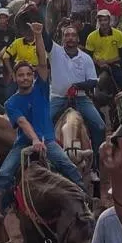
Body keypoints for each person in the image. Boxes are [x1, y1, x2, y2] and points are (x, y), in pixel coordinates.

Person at [0, 23, 85, 210]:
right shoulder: (11, 102)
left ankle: (83, 201)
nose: (25, 78)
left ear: (33, 76)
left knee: (68, 167)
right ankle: (0, 212)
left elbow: (43, 62)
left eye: (28, 74)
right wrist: (35, 140)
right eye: (21, 75)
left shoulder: (41, 89)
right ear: (16, 78)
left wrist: (38, 35)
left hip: (48, 141)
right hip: (24, 143)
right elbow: (22, 122)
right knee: (3, 174)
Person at [48, 24, 105, 161]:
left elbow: (93, 81)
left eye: (73, 35)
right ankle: (44, 159)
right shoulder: (55, 52)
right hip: (58, 98)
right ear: (62, 39)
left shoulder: (85, 58)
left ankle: (96, 163)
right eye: (67, 35)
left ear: (78, 39)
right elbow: (44, 38)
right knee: (42, 124)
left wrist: (77, 86)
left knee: (100, 126)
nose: (70, 38)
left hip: (81, 98)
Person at [86, 10, 122, 90]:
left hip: (114, 65)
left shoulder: (118, 34)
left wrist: (107, 62)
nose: (103, 23)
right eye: (100, 20)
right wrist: (98, 63)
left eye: (105, 20)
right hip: (97, 66)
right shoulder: (91, 36)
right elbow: (88, 55)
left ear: (109, 20)